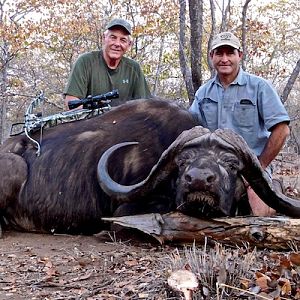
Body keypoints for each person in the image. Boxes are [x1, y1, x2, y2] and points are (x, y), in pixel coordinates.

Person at [189, 31, 290, 216]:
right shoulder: (203, 93)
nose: (224, 59)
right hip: (214, 168)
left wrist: (258, 169)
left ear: (240, 56)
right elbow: (190, 131)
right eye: (219, 53)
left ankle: (273, 191)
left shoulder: (259, 87)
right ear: (212, 57)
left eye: (230, 53)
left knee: (255, 215)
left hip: (251, 168)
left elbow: (281, 130)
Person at [63, 18, 151, 109]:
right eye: (113, 37)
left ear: (129, 45)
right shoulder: (85, 62)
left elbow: (144, 106)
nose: (117, 44)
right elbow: (71, 101)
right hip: (91, 121)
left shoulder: (134, 68)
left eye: (123, 40)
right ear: (104, 38)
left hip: (124, 122)